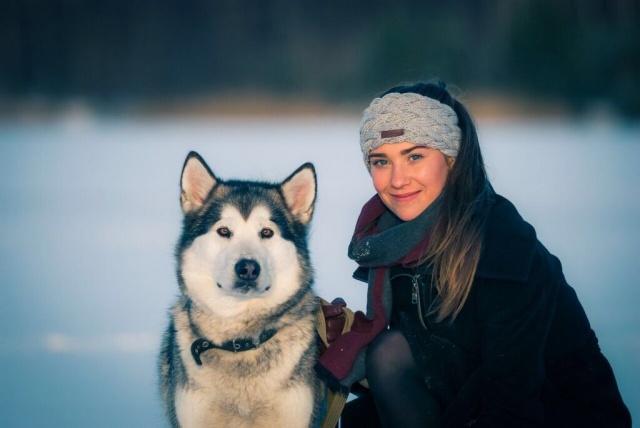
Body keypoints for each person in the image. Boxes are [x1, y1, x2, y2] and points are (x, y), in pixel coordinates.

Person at [316, 81, 631, 427]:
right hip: (476, 401)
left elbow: (512, 398)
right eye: (381, 161)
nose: (397, 179)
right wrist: (347, 341)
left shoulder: (502, 244)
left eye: (415, 156)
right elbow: (429, 359)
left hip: (559, 414)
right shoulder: (397, 241)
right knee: (383, 361)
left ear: (451, 158)